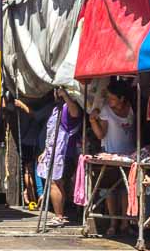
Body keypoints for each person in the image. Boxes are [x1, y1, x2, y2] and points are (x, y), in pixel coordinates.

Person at [89, 79, 135, 235]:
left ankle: (125, 223)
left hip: (129, 156)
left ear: (122, 98)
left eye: (112, 98)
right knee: (110, 190)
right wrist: (92, 120)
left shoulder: (131, 109)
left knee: (126, 190)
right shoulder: (106, 111)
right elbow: (101, 134)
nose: (109, 100)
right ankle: (113, 223)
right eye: (108, 97)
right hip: (110, 154)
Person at [36, 88, 81, 227]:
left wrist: (66, 96)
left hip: (63, 153)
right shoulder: (57, 109)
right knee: (56, 183)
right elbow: (52, 133)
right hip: (53, 151)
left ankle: (59, 215)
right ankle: (60, 213)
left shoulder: (68, 107)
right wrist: (45, 151)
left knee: (56, 182)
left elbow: (75, 113)